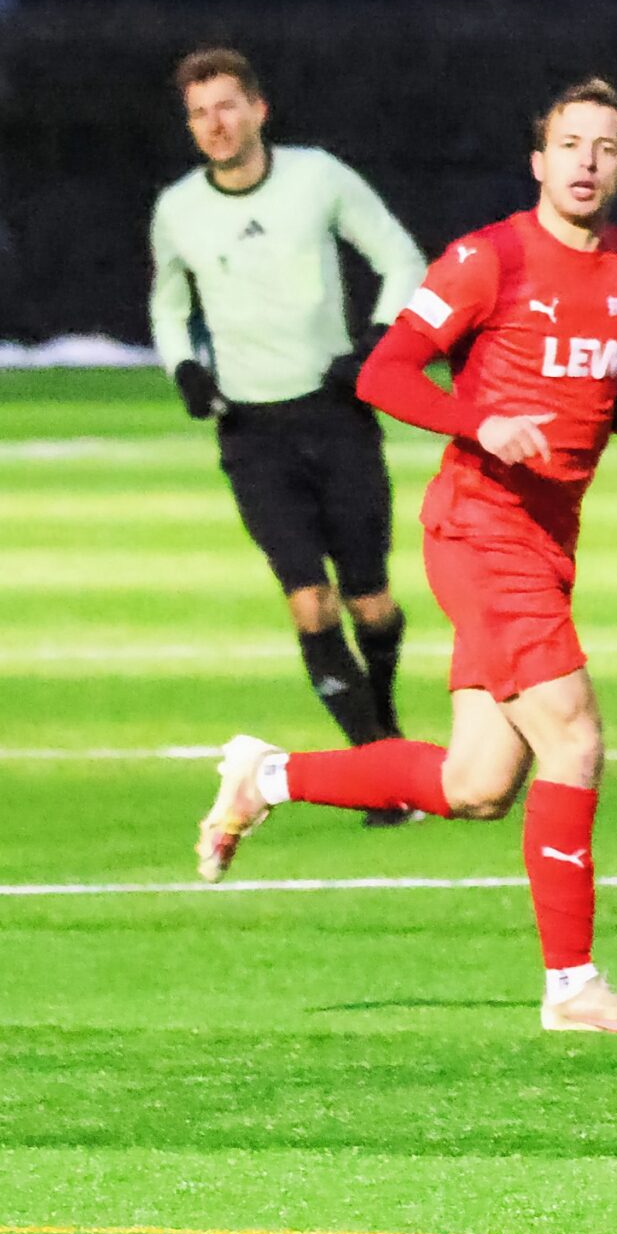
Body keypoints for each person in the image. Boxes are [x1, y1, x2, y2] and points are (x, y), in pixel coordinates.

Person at [193, 78, 617, 1034]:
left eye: (607, 147)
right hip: (479, 531)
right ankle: (572, 986)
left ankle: (267, 777)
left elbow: (586, 406)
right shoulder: (486, 257)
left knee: (478, 785)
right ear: (539, 162)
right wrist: (479, 422)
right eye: (571, 144)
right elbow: (382, 373)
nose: (588, 161)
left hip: (546, 544)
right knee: (575, 738)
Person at [147, 47, 428, 801]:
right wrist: (185, 367)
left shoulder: (317, 178)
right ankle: (380, 771)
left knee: (372, 602)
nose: (215, 124)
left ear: (259, 109)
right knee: (311, 602)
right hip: (252, 433)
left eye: (227, 106)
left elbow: (402, 259)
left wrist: (375, 344)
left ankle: (384, 723)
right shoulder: (178, 210)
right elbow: (168, 305)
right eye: (199, 113)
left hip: (336, 417)